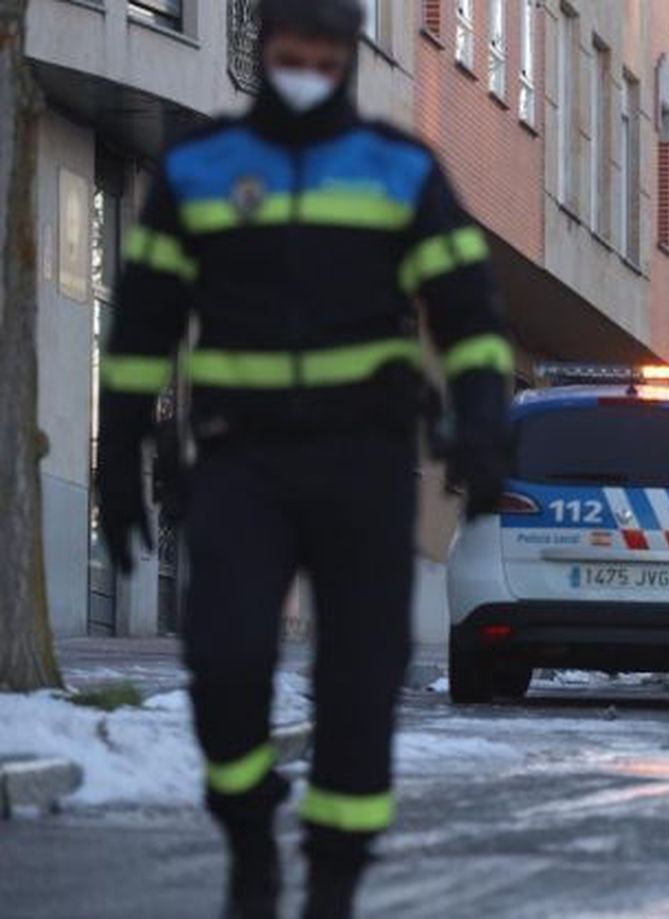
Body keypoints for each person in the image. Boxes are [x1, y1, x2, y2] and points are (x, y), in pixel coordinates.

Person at [94, 1, 511, 915]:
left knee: (361, 681)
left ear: (350, 52)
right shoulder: (199, 170)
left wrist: (485, 421)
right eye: (292, 47)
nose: (308, 64)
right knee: (227, 657)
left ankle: (332, 878)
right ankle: (248, 831)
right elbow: (141, 325)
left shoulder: (401, 171)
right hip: (241, 463)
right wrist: (116, 452)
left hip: (362, 461)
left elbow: (472, 317)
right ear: (261, 41)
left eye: (327, 49)